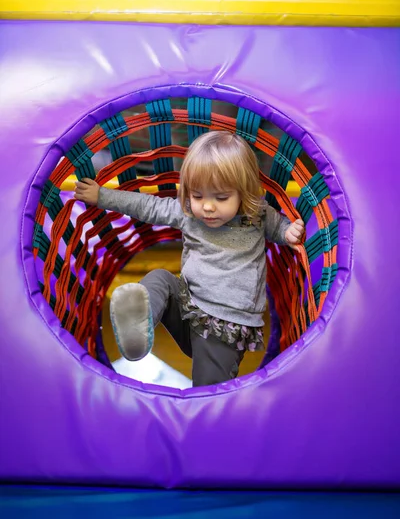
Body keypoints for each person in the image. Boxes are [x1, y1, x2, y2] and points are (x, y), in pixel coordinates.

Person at [74, 131, 304, 387]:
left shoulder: (257, 215)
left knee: (208, 390)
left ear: (243, 192)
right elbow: (147, 206)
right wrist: (102, 196)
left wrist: (287, 232)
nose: (207, 207)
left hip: (225, 330)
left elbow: (279, 228)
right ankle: (141, 326)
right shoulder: (188, 214)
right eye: (198, 196)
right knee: (161, 278)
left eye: (221, 197)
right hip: (188, 310)